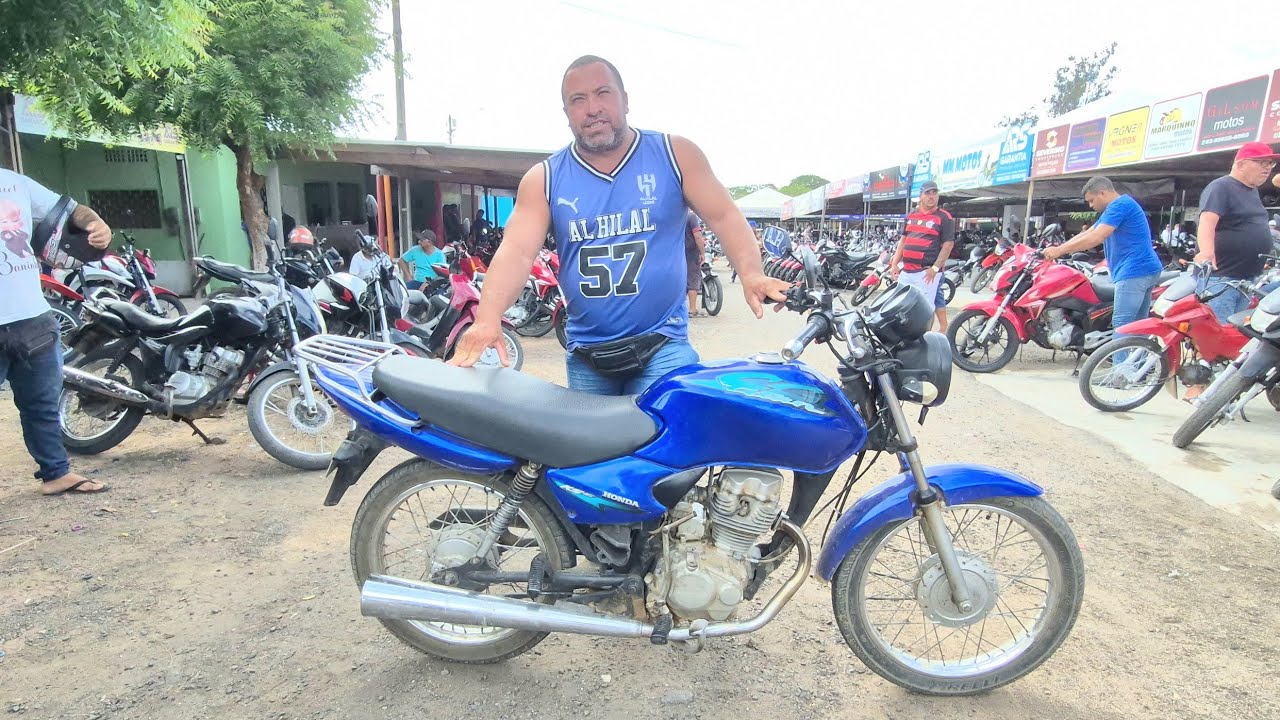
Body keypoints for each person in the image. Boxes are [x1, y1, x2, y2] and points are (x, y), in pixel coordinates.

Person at [449, 54, 789, 394]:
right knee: (594, 448)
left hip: (663, 345)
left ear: (625, 100)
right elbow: (518, 252)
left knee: (665, 441)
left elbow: (724, 215)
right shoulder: (545, 179)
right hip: (588, 356)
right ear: (566, 114)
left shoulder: (675, 155)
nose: (592, 108)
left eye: (603, 93)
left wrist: (751, 272)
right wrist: (488, 318)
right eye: (577, 100)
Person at [0, 169, 112, 495]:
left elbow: (72, 210)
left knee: (42, 404)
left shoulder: (13, 181)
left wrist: (96, 225)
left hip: (33, 317)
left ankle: (56, 473)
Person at [1043, 176, 1162, 335]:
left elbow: (1096, 237)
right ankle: (1139, 359)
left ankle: (1123, 361)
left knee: (1122, 325)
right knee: (1138, 326)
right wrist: (1059, 247)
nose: (1091, 205)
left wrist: (1059, 251)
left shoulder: (1118, 206)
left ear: (1103, 193)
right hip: (1145, 269)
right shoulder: (1120, 206)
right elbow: (1090, 232)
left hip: (1134, 271)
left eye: (1092, 200)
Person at [1194, 142, 1277, 323]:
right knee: (1220, 333)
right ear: (1241, 164)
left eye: (1271, 164)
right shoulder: (1221, 187)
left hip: (1246, 279)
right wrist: (1207, 252)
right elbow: (1207, 221)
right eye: (1262, 163)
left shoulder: (1252, 191)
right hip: (1222, 278)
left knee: (1235, 336)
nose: (1268, 168)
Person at [889, 180, 954, 332]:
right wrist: (894, 264)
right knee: (901, 302)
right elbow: (904, 239)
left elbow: (948, 245)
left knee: (925, 309)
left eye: (935, 193)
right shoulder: (911, 215)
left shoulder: (944, 217)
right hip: (907, 271)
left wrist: (935, 268)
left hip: (926, 271)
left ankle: (924, 338)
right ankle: (905, 333)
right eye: (928, 193)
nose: (932, 197)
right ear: (921, 196)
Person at [685, 211, 706, 316]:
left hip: (675, 252)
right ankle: (692, 309)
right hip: (690, 253)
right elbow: (697, 236)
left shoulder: (674, 215)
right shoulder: (691, 216)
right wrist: (702, 253)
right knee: (692, 278)